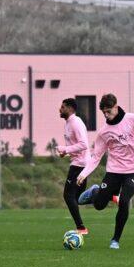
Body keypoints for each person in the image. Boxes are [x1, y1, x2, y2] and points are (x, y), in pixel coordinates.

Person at [76, 94, 134, 249]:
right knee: (99, 205)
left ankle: (115, 240)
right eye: (104, 113)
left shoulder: (133, 119)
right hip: (114, 171)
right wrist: (83, 174)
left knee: (124, 201)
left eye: (109, 111)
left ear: (116, 106)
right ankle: (96, 192)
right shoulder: (104, 132)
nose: (106, 115)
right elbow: (96, 157)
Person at [55, 98, 90, 236]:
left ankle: (81, 228)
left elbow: (84, 144)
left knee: (68, 195)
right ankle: (104, 194)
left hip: (79, 165)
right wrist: (66, 152)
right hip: (78, 162)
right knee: (78, 198)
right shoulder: (68, 123)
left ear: (70, 109)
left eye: (63, 107)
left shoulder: (76, 123)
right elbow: (76, 146)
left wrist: (66, 148)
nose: (60, 109)